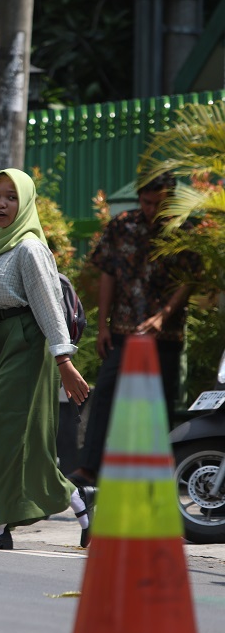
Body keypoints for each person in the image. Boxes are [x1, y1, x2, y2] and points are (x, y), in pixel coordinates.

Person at [0, 168, 93, 550]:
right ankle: (78, 500)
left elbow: (49, 307)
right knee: (21, 442)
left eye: (12, 197)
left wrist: (64, 362)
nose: (2, 203)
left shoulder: (29, 248)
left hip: (26, 343)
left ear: (25, 203)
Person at [69, 173, 200, 487]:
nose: (153, 209)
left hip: (165, 334)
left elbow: (189, 279)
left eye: (160, 203)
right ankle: (89, 468)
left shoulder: (185, 229)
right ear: (139, 197)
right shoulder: (123, 225)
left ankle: (162, 471)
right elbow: (108, 274)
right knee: (106, 394)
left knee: (161, 400)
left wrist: (164, 316)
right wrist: (103, 326)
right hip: (123, 329)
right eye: (147, 202)